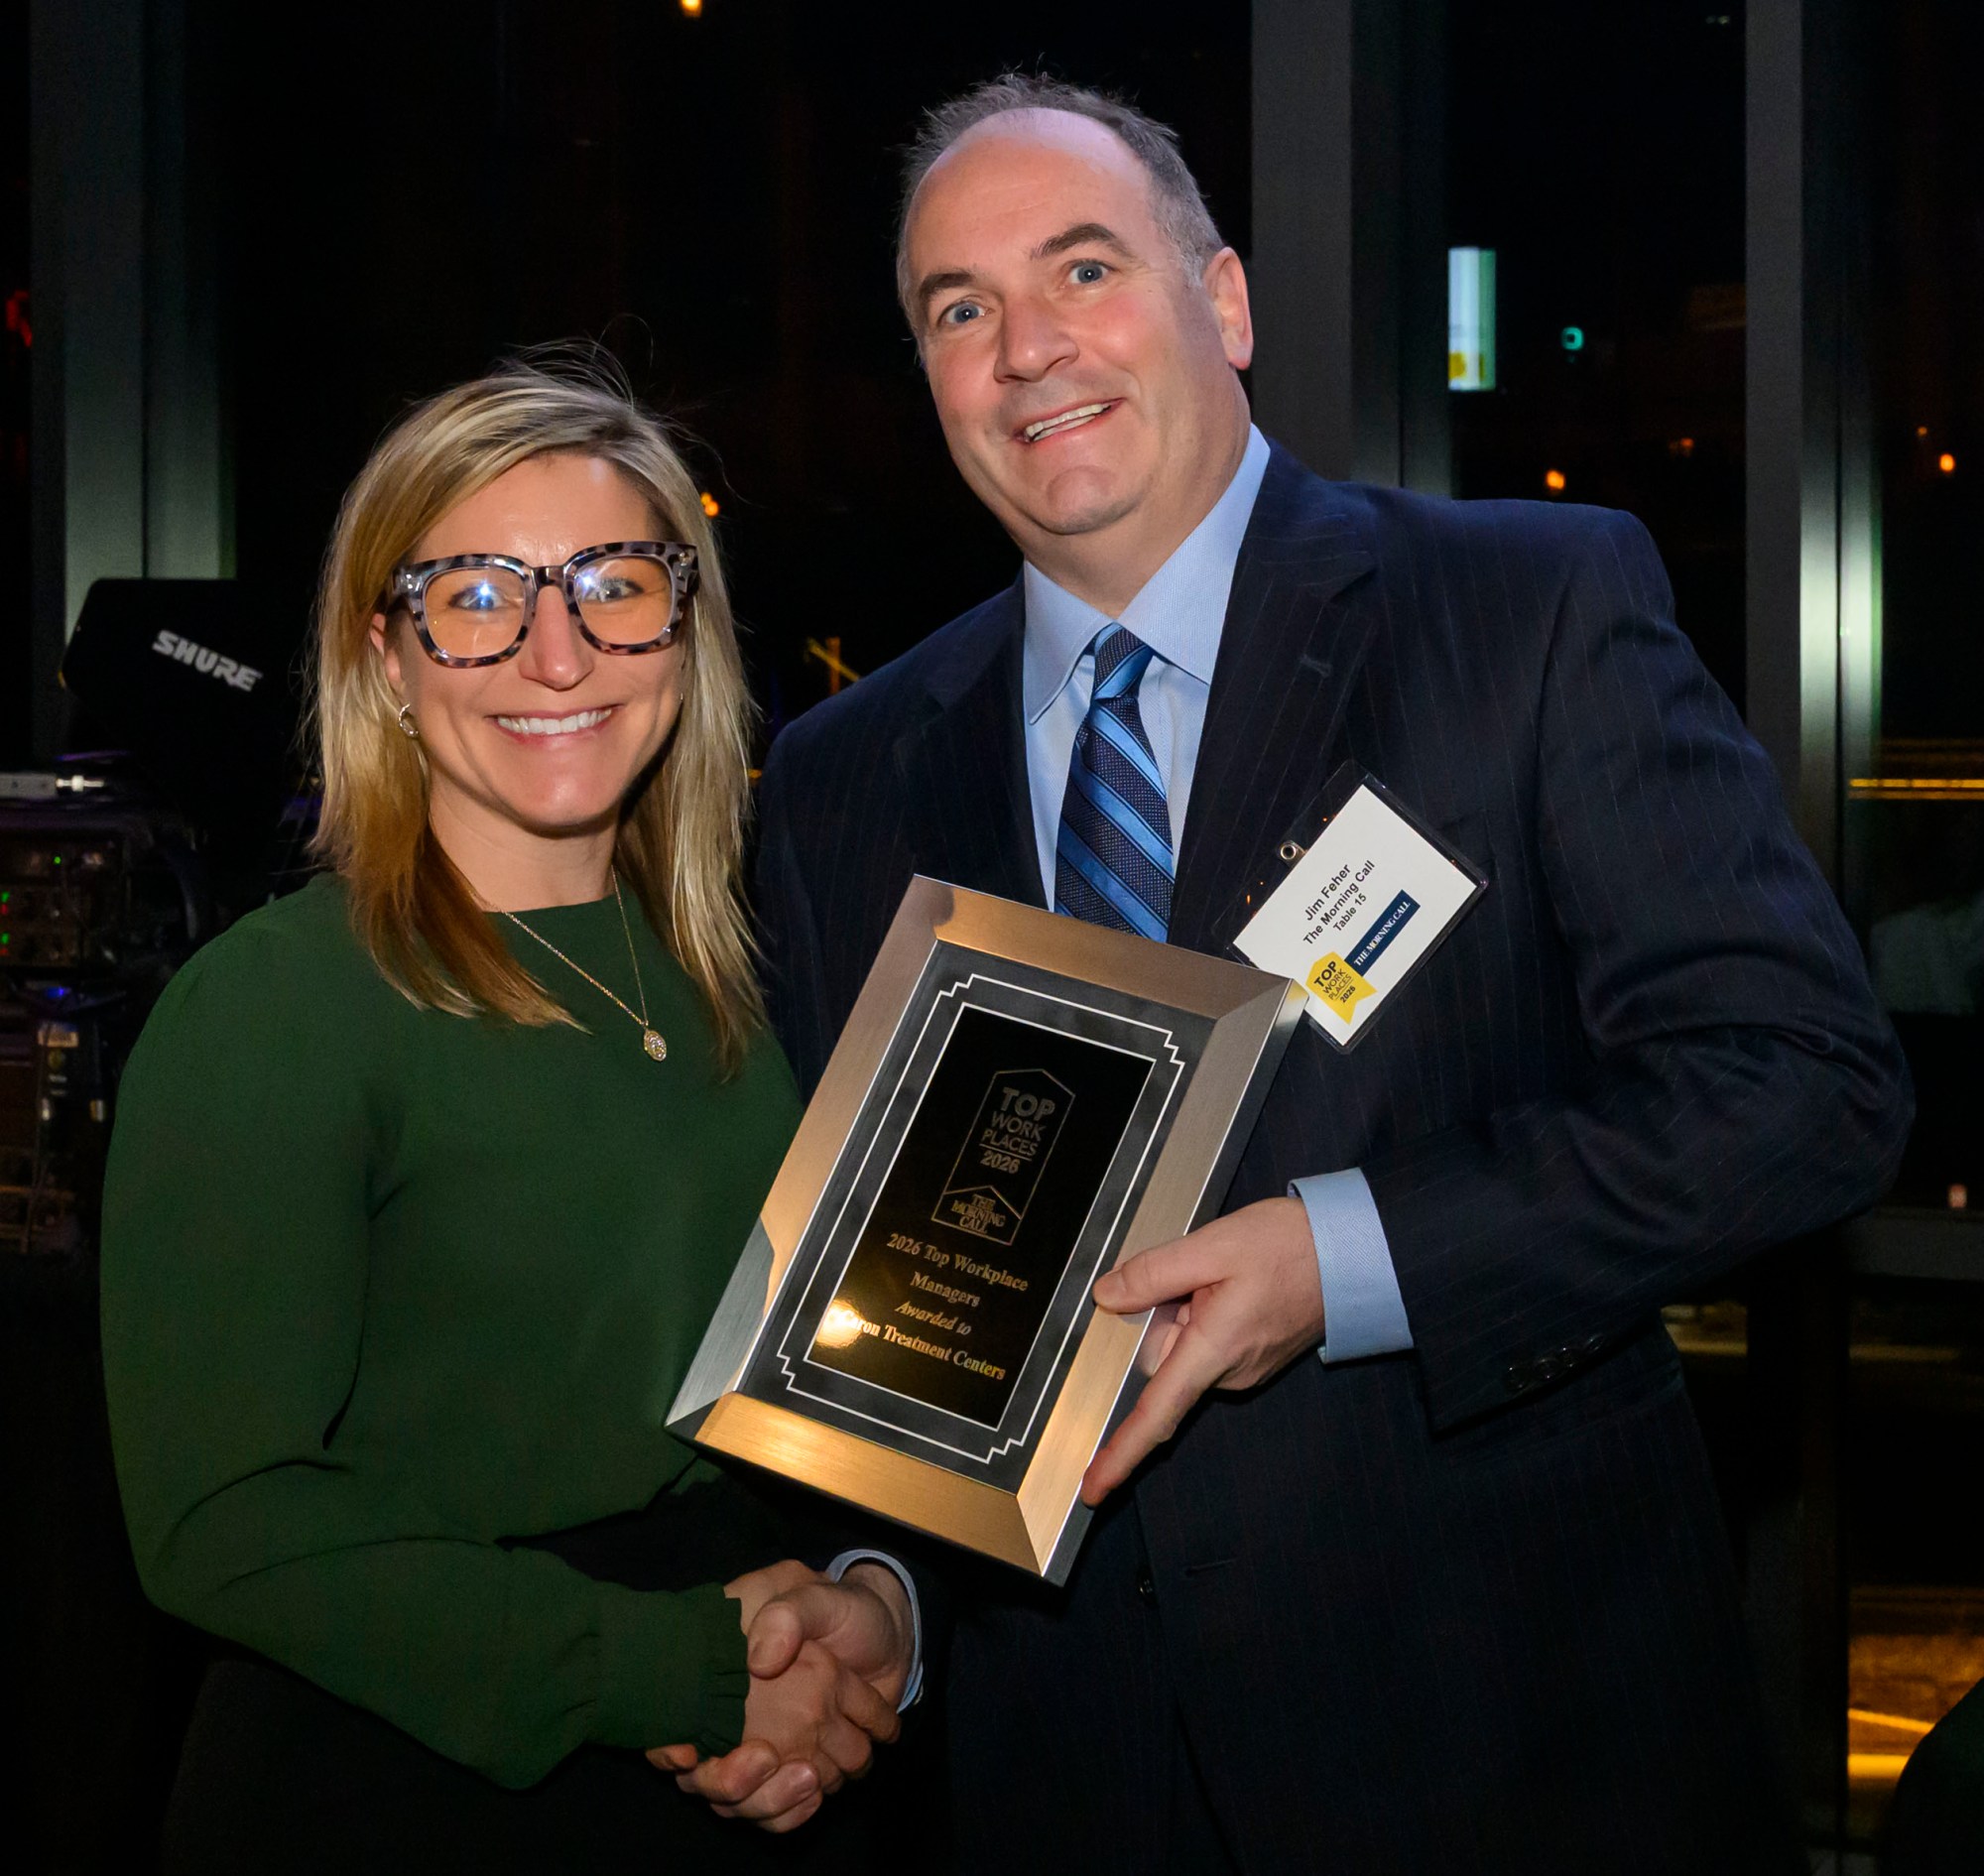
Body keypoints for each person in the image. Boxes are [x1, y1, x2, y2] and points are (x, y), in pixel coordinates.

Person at [740, 74, 1914, 1875]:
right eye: (959, 310)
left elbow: (1803, 1089)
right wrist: (884, 1588)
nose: (1027, 348)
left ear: (1222, 302)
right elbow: (909, 1309)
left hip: (1515, 1750)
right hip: (1079, 1788)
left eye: (1083, 270)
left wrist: (1344, 1259)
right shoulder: (840, 781)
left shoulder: (1525, 612)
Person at [100, 362, 921, 1871]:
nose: (557, 654)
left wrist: (866, 1606)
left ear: (685, 627)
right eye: (476, 595)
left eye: (614, 586)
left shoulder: (738, 980)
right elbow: (225, 1519)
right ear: (385, 657)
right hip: (403, 1786)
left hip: (740, 1755)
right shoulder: (277, 1006)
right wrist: (686, 1666)